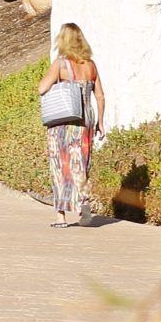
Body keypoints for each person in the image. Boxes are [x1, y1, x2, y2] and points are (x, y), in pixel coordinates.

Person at [37, 23, 104, 227]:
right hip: (85, 122)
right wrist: (100, 121)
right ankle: (84, 205)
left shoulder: (61, 64)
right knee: (81, 166)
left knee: (60, 166)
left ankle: (61, 216)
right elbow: (100, 96)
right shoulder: (91, 65)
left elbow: (42, 88)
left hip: (63, 124)